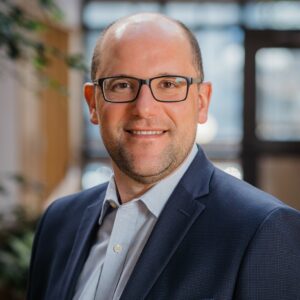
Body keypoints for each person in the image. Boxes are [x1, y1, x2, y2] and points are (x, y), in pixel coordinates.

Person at [27, 13, 300, 300]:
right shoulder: (58, 222)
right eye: (121, 84)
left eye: (169, 84)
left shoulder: (264, 231)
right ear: (93, 103)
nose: (144, 108)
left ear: (202, 102)